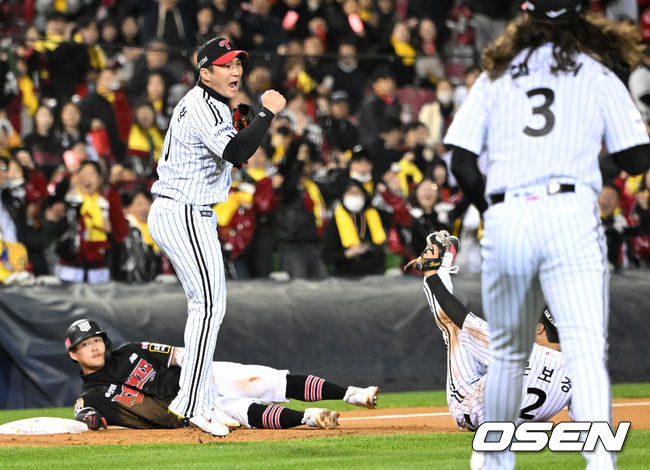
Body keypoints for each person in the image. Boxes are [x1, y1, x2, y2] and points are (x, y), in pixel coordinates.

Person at [443, 3, 650, 469]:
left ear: (526, 19)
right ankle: (601, 464)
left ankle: (493, 464)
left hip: (510, 213)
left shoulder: (496, 74)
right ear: (578, 20)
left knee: (510, 353)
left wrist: (492, 210)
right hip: (572, 212)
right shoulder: (596, 73)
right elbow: (636, 159)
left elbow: (459, 162)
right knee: (584, 351)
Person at [147, 37, 286, 435]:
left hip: (189, 211)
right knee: (208, 308)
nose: (235, 70)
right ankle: (192, 402)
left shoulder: (215, 106)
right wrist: (265, 114)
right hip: (184, 210)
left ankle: (201, 399)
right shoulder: (202, 105)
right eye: (225, 65)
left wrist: (245, 122)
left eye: (237, 63)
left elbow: (234, 151)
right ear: (204, 72)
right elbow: (237, 152)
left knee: (207, 307)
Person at [64, 318, 380, 434]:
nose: (93, 347)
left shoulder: (131, 350)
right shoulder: (92, 394)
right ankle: (310, 418)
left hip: (201, 378)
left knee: (266, 380)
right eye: (85, 344)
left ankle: (354, 394)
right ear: (73, 354)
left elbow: (180, 355)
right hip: (189, 413)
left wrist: (203, 371)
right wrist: (90, 419)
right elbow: (85, 414)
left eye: (96, 340)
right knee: (244, 414)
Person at [414, 231, 572, 432]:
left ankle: (442, 266)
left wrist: (432, 275)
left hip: (470, 410)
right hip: (518, 420)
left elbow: (461, 318)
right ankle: (442, 265)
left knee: (454, 329)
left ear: (540, 328)